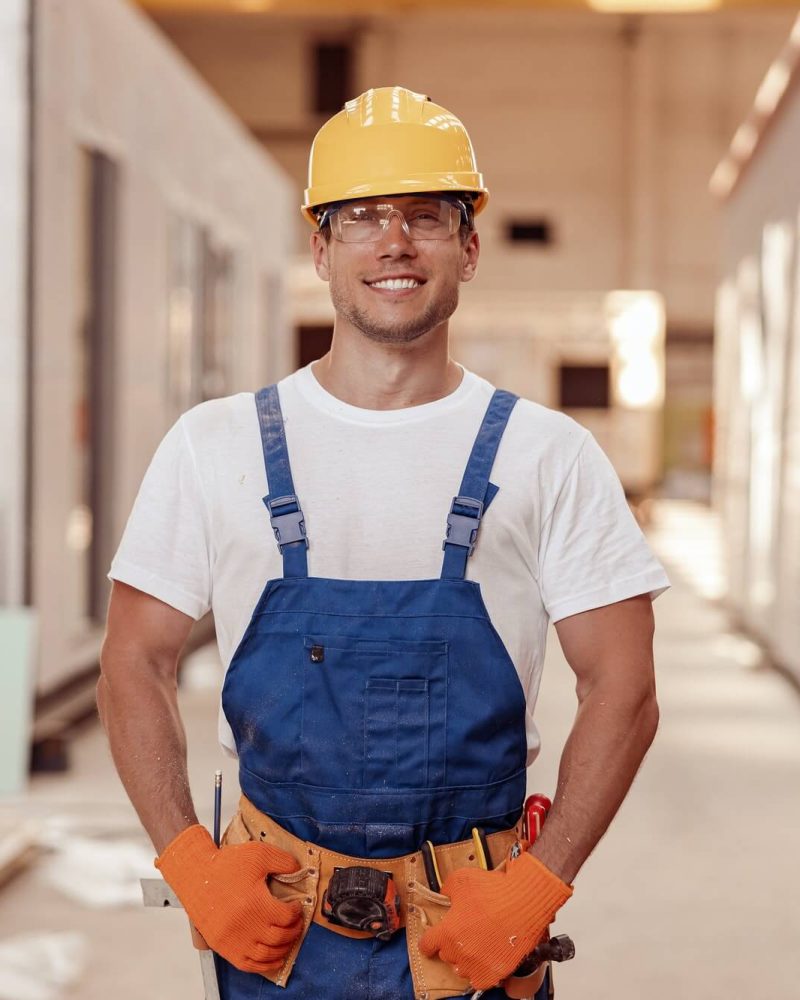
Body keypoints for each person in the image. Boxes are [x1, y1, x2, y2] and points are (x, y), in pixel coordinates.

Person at [98, 86, 668, 1000]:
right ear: (320, 249)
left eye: (426, 217)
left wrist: (535, 887)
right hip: (274, 935)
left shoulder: (549, 455)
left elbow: (625, 689)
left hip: (471, 935)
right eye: (360, 217)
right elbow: (134, 660)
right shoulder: (216, 445)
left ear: (469, 248)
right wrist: (190, 864)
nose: (393, 242)